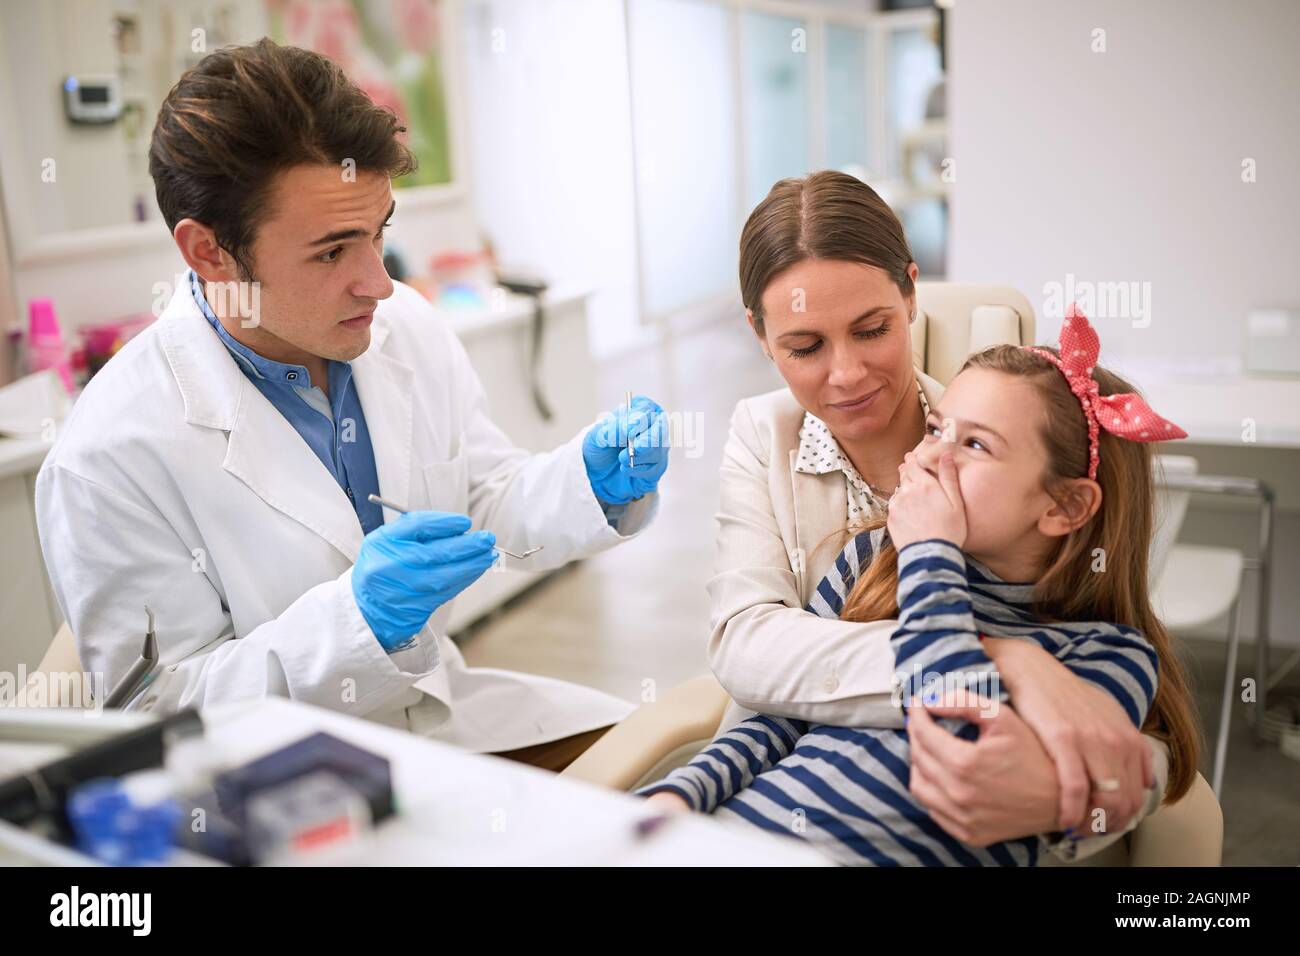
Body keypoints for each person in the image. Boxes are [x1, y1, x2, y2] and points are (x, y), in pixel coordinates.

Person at [35, 39, 669, 770]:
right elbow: (155, 721)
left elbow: (486, 503)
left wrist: (584, 485)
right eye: (333, 251)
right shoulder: (108, 458)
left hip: (442, 720)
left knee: (670, 777)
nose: (378, 282)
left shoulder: (405, 329)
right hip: (275, 787)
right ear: (208, 252)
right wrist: (352, 624)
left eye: (379, 234)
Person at [704, 170, 1181, 850]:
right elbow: (745, 647)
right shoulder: (761, 433)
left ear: (909, 294)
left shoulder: (1010, 435)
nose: (846, 375)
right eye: (805, 347)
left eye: (871, 329)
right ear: (760, 335)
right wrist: (1002, 659)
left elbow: (1123, 703)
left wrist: (1071, 795)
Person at [641, 310, 1201, 864]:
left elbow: (956, 732)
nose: (930, 456)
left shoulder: (1108, 655)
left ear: (1065, 505)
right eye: (937, 429)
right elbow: (779, 715)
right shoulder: (870, 562)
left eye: (976, 446)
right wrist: (682, 793)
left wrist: (927, 554)